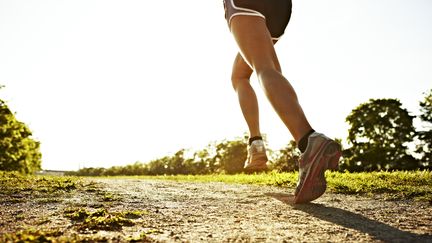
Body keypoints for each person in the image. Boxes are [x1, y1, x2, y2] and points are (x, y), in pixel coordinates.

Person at [223, 0, 341, 203]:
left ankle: (308, 140)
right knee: (241, 74)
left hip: (247, 4)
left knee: (263, 68)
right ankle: (255, 144)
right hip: (280, 9)